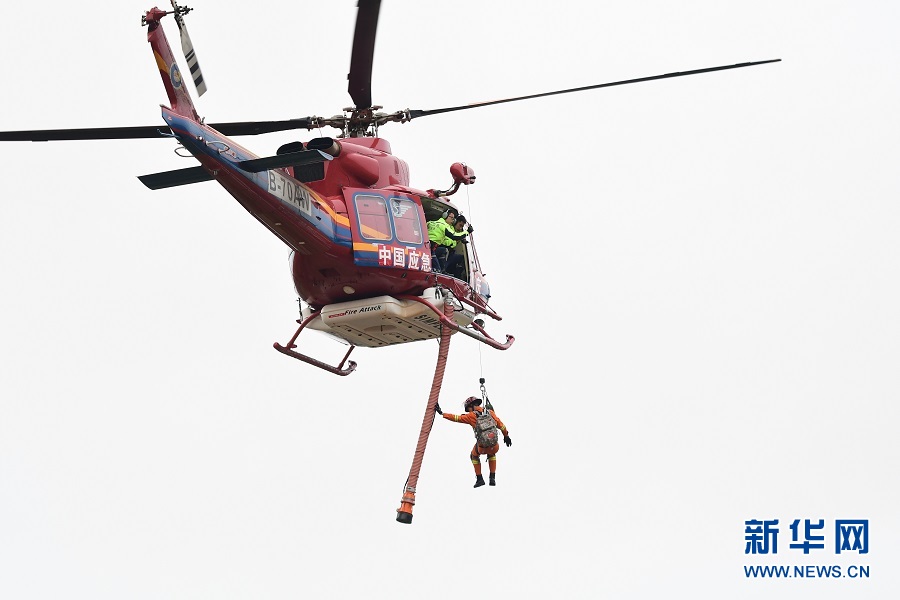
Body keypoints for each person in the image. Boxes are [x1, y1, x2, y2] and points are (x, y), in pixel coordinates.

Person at [435, 396, 512, 488]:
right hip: (494, 446)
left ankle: (479, 478)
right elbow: (501, 425)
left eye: (468, 409)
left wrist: (442, 413)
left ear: (471, 406)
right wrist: (506, 436)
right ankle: (492, 477)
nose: (469, 411)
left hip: (482, 447)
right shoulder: (490, 413)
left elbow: (456, 418)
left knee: (473, 456)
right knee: (492, 453)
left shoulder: (471, 416)